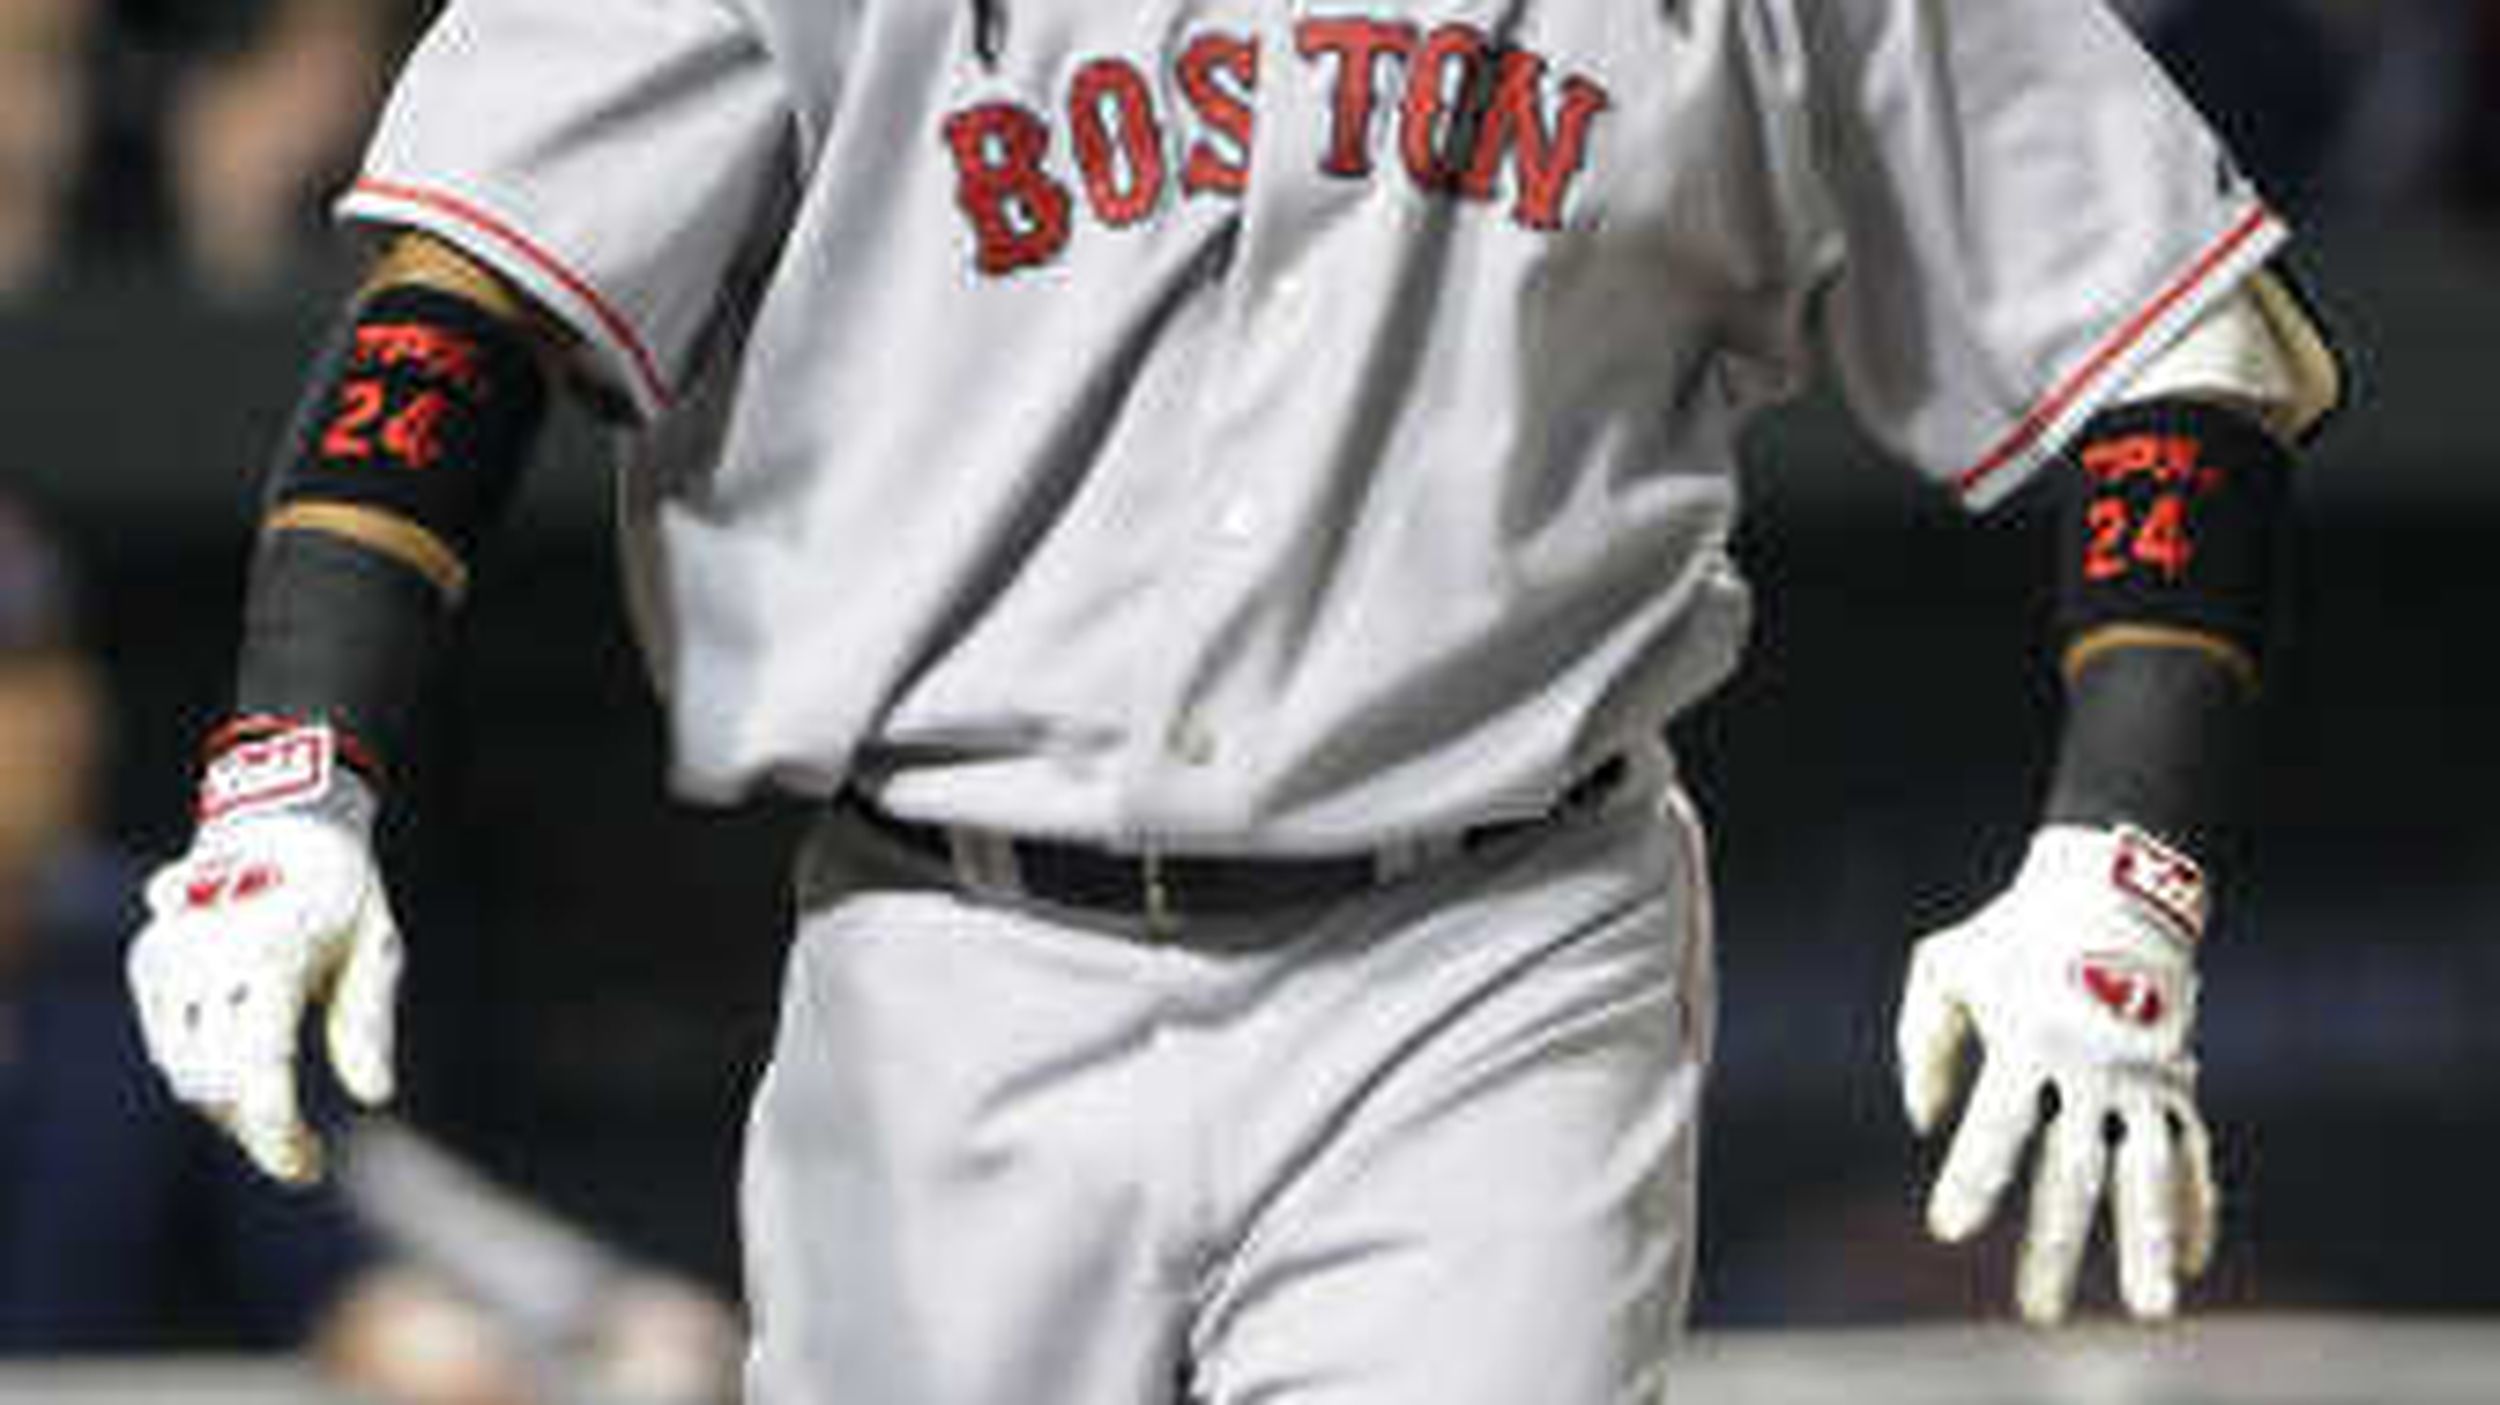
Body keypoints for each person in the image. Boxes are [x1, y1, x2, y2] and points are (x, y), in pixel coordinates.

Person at [123, 1, 2345, 1402]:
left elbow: (2171, 347)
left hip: (1487, 969)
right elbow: (461, 305)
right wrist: (291, 776)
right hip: (950, 962)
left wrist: (2117, 864)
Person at [0, 493, 536, 1403]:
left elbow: (315, 1254)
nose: (51, 720)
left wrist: (413, 1334)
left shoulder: (161, 961)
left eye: (43, 670)